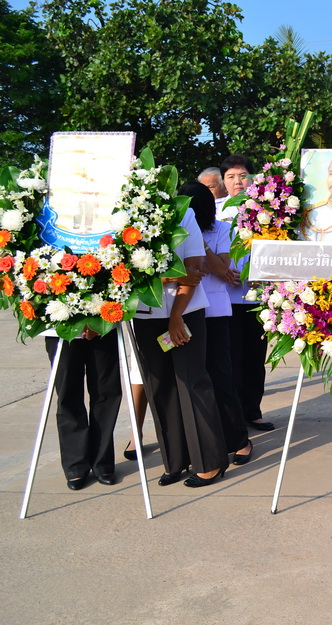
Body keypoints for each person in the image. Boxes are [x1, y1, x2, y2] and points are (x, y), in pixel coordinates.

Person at [131, 202, 229, 487]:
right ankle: (175, 461)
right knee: (158, 386)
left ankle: (210, 463)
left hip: (185, 310)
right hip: (145, 313)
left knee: (192, 382)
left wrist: (175, 317)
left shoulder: (181, 212)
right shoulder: (123, 216)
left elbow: (194, 269)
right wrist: (170, 277)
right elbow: (125, 274)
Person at [177, 181, 253, 465]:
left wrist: (199, 242)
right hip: (183, 311)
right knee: (191, 381)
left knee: (221, 377)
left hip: (215, 313)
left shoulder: (222, 229)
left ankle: (239, 440)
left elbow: (222, 269)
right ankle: (200, 443)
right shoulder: (175, 231)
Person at [219, 154, 273, 432]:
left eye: (242, 175)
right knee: (231, 359)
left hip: (256, 297)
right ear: (223, 181)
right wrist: (222, 271)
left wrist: (262, 274)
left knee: (255, 357)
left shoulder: (267, 208)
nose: (237, 181)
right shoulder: (216, 211)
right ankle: (233, 417)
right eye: (231, 176)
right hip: (225, 297)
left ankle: (253, 410)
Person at [43, 327, 122, 490]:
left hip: (102, 323)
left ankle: (103, 462)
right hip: (61, 327)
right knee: (68, 394)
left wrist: (96, 322)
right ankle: (75, 464)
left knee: (105, 392)